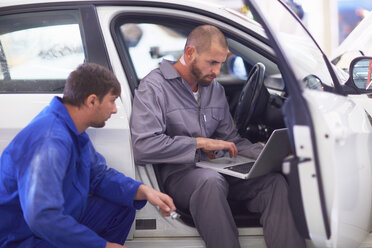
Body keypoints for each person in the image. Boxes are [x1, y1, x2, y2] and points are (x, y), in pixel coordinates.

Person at [130, 25, 305, 248]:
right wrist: (198, 143)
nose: (216, 71)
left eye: (221, 63)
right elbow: (143, 146)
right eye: (212, 62)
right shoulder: (154, 87)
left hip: (220, 167)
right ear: (190, 53)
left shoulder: (215, 89)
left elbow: (232, 141)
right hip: (181, 174)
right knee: (210, 182)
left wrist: (270, 154)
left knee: (274, 183)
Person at [0, 63, 175, 248]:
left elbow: (98, 176)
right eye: (112, 100)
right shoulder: (50, 141)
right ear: (92, 101)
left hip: (54, 219)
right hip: (24, 238)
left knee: (122, 207)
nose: (115, 109)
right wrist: (102, 246)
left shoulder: (72, 129)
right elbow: (42, 217)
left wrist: (143, 191)